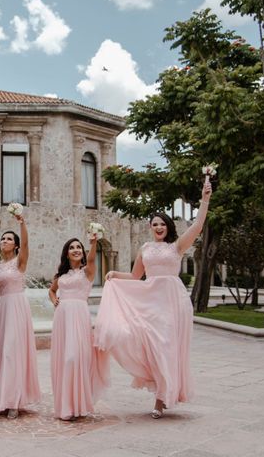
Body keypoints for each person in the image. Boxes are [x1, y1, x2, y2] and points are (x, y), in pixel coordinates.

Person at [95, 179, 212, 419]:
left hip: (173, 302)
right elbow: (136, 276)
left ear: (168, 227)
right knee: (146, 342)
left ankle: (160, 400)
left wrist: (205, 199)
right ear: (150, 227)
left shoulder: (176, 247)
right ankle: (159, 387)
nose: (158, 227)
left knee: (166, 347)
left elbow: (198, 225)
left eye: (162, 224)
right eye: (154, 224)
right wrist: (115, 274)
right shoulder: (145, 248)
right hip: (150, 302)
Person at [0, 215, 40, 419]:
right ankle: (1, 397)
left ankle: (14, 400)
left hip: (17, 307)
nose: (4, 241)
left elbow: (26, 243)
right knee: (1, 352)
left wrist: (22, 222)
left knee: (12, 352)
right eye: (3, 238)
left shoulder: (20, 262)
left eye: (9, 239)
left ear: (16, 245)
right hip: (3, 309)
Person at [49, 235, 109, 421]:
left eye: (79, 248)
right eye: (72, 247)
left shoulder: (88, 271)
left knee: (74, 358)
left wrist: (92, 244)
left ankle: (78, 404)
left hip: (79, 315)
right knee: (63, 359)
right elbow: (51, 290)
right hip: (62, 318)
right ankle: (66, 406)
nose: (76, 250)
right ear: (66, 253)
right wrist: (55, 300)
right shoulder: (60, 276)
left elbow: (91, 259)